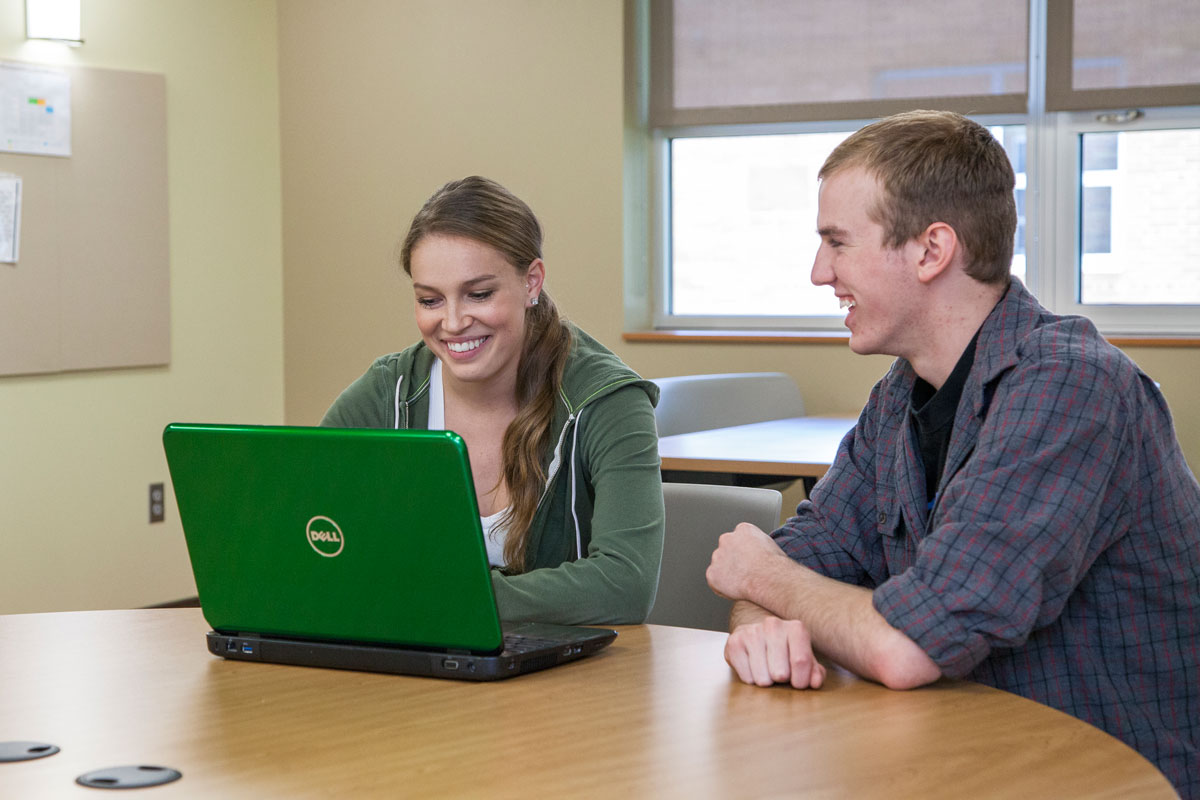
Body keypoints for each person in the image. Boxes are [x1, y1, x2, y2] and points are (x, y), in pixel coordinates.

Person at [705, 110, 1200, 796]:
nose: (820, 272)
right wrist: (763, 622)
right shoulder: (899, 396)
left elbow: (908, 647)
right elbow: (792, 560)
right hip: (957, 763)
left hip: (1103, 778)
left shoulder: (1072, 387)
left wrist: (763, 581)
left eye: (838, 243)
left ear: (932, 251)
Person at [323, 176, 663, 625]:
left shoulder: (605, 401)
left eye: (479, 294)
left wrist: (443, 597)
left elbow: (626, 583)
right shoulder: (390, 392)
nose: (453, 322)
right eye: (429, 300)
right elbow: (299, 531)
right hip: (416, 672)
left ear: (531, 282)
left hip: (570, 684)